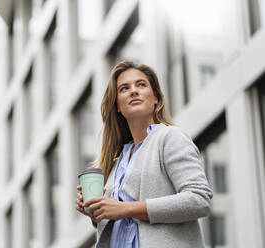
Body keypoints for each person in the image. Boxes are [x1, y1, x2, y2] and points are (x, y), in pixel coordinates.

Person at [75, 61, 213, 248]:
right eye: (124, 88)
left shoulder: (170, 137)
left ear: (155, 97)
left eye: (141, 85)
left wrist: (124, 209)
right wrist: (97, 212)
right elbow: (121, 222)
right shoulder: (116, 163)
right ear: (117, 105)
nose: (133, 91)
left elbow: (199, 199)